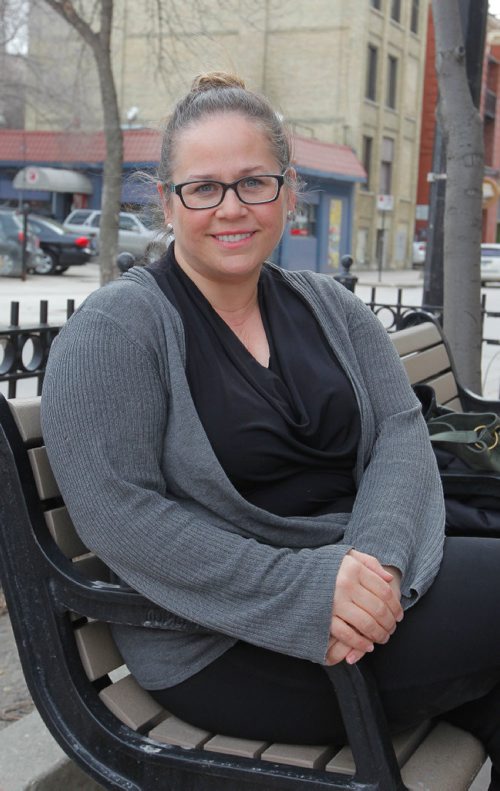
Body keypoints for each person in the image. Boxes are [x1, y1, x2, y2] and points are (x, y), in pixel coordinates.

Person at [41, 72, 500, 789]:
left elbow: (400, 434)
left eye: (254, 182)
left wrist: (375, 561)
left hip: (364, 595)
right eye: (204, 187)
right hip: (222, 640)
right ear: (166, 202)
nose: (231, 208)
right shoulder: (117, 331)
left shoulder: (330, 306)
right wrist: (311, 588)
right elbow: (121, 515)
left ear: (289, 192)